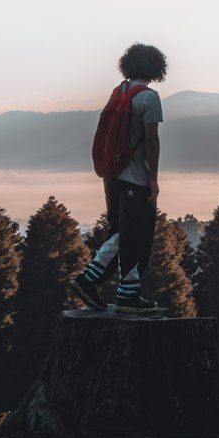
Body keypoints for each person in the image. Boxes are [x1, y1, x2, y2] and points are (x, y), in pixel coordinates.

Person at [70, 42, 166, 314]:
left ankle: (128, 293)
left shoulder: (118, 93)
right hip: (136, 179)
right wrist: (154, 180)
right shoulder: (148, 97)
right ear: (156, 67)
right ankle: (87, 280)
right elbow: (151, 140)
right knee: (133, 235)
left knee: (123, 232)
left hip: (112, 176)